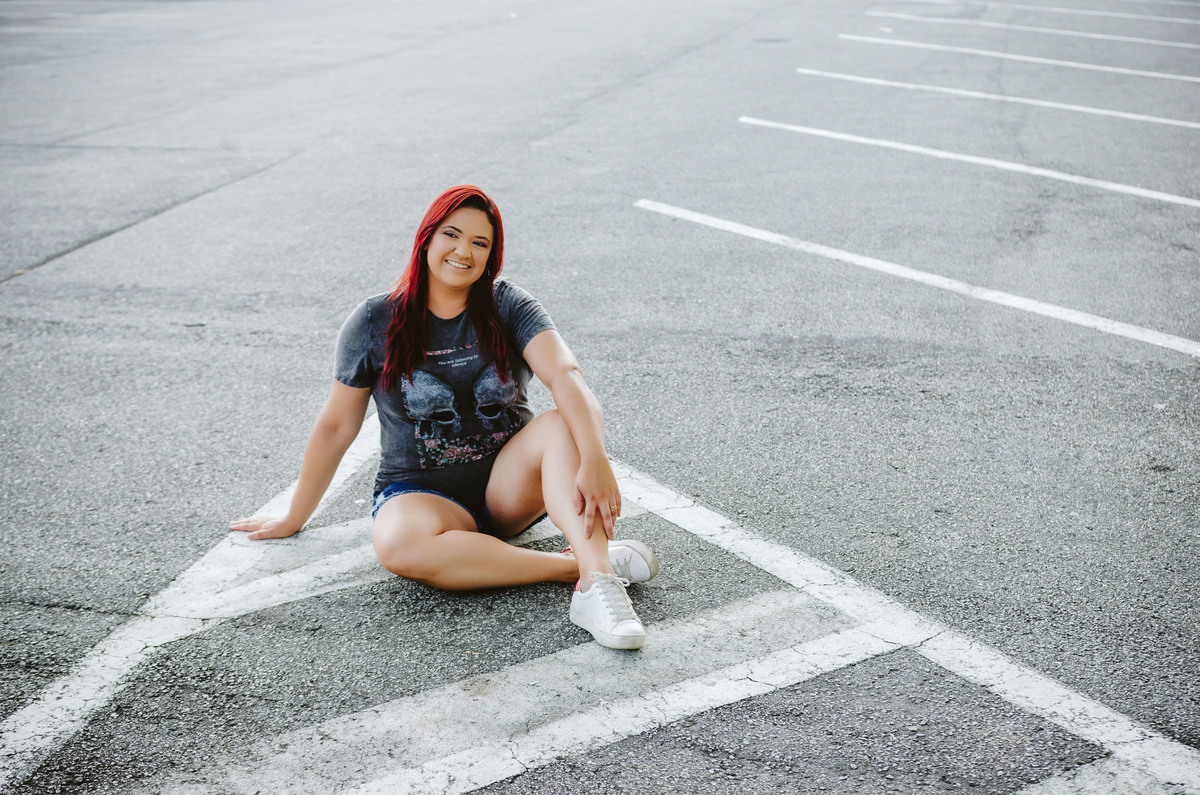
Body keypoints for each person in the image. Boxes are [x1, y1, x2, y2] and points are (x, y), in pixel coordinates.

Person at [230, 185, 658, 649]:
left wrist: (595, 457)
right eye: (451, 235)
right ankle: (581, 566)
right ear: (427, 238)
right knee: (399, 546)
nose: (463, 252)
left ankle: (597, 588)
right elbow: (337, 426)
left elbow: (566, 374)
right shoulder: (374, 321)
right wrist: (295, 515)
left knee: (560, 423)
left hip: (508, 489)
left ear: (492, 255)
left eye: (480, 242)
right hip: (420, 493)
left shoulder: (507, 304)